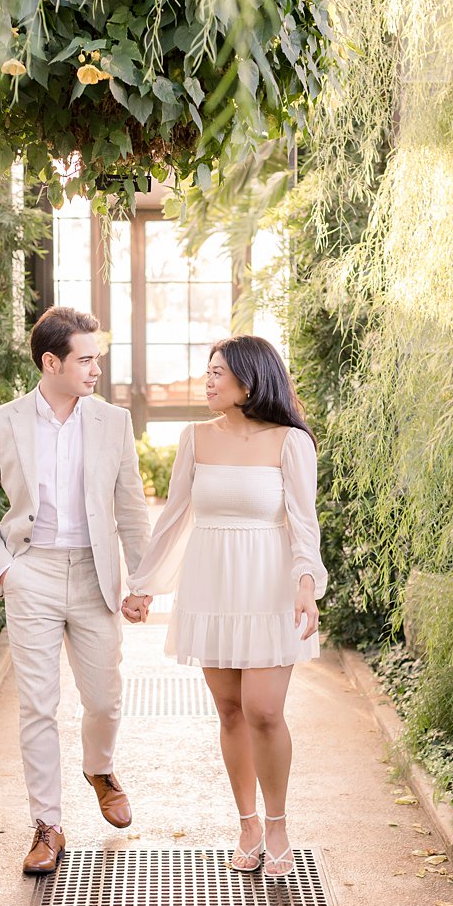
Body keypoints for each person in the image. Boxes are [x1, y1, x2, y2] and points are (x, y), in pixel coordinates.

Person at [0, 306, 153, 876]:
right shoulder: (3, 422)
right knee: (38, 705)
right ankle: (47, 824)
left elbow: (131, 510)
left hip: (95, 575)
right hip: (32, 574)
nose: (97, 368)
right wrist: (4, 569)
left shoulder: (112, 422)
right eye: (86, 359)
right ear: (52, 362)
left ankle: (100, 768)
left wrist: (140, 582)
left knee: (104, 698)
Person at [124, 335, 326, 876]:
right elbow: (174, 518)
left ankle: (278, 822)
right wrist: (143, 584)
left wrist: (307, 583)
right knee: (231, 710)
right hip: (211, 585)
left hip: (268, 584)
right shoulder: (195, 438)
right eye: (207, 371)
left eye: (217, 373)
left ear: (249, 380)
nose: (207, 381)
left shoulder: (290, 443)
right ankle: (248, 823)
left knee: (264, 709)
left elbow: (304, 524)